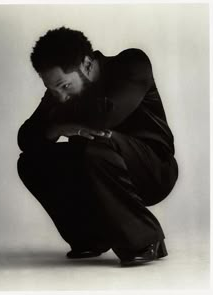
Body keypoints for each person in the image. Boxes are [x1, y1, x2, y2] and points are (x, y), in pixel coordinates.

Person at [17, 27, 178, 267]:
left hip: (153, 170)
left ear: (87, 64)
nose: (60, 97)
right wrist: (59, 127)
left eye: (64, 86)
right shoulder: (61, 94)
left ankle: (146, 240)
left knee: (100, 141)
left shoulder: (131, 64)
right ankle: (89, 239)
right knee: (31, 161)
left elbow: (104, 118)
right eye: (52, 90)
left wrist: (55, 122)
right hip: (98, 168)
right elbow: (26, 138)